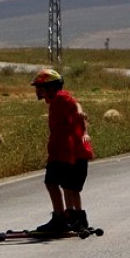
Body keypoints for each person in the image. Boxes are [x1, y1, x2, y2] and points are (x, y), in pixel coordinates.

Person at [30, 68, 94, 233]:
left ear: (51, 87)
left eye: (41, 87)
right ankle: (73, 217)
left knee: (53, 182)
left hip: (66, 150)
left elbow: (74, 104)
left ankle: (61, 218)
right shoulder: (55, 100)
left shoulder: (61, 98)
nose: (38, 91)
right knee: (63, 185)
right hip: (62, 149)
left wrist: (80, 113)